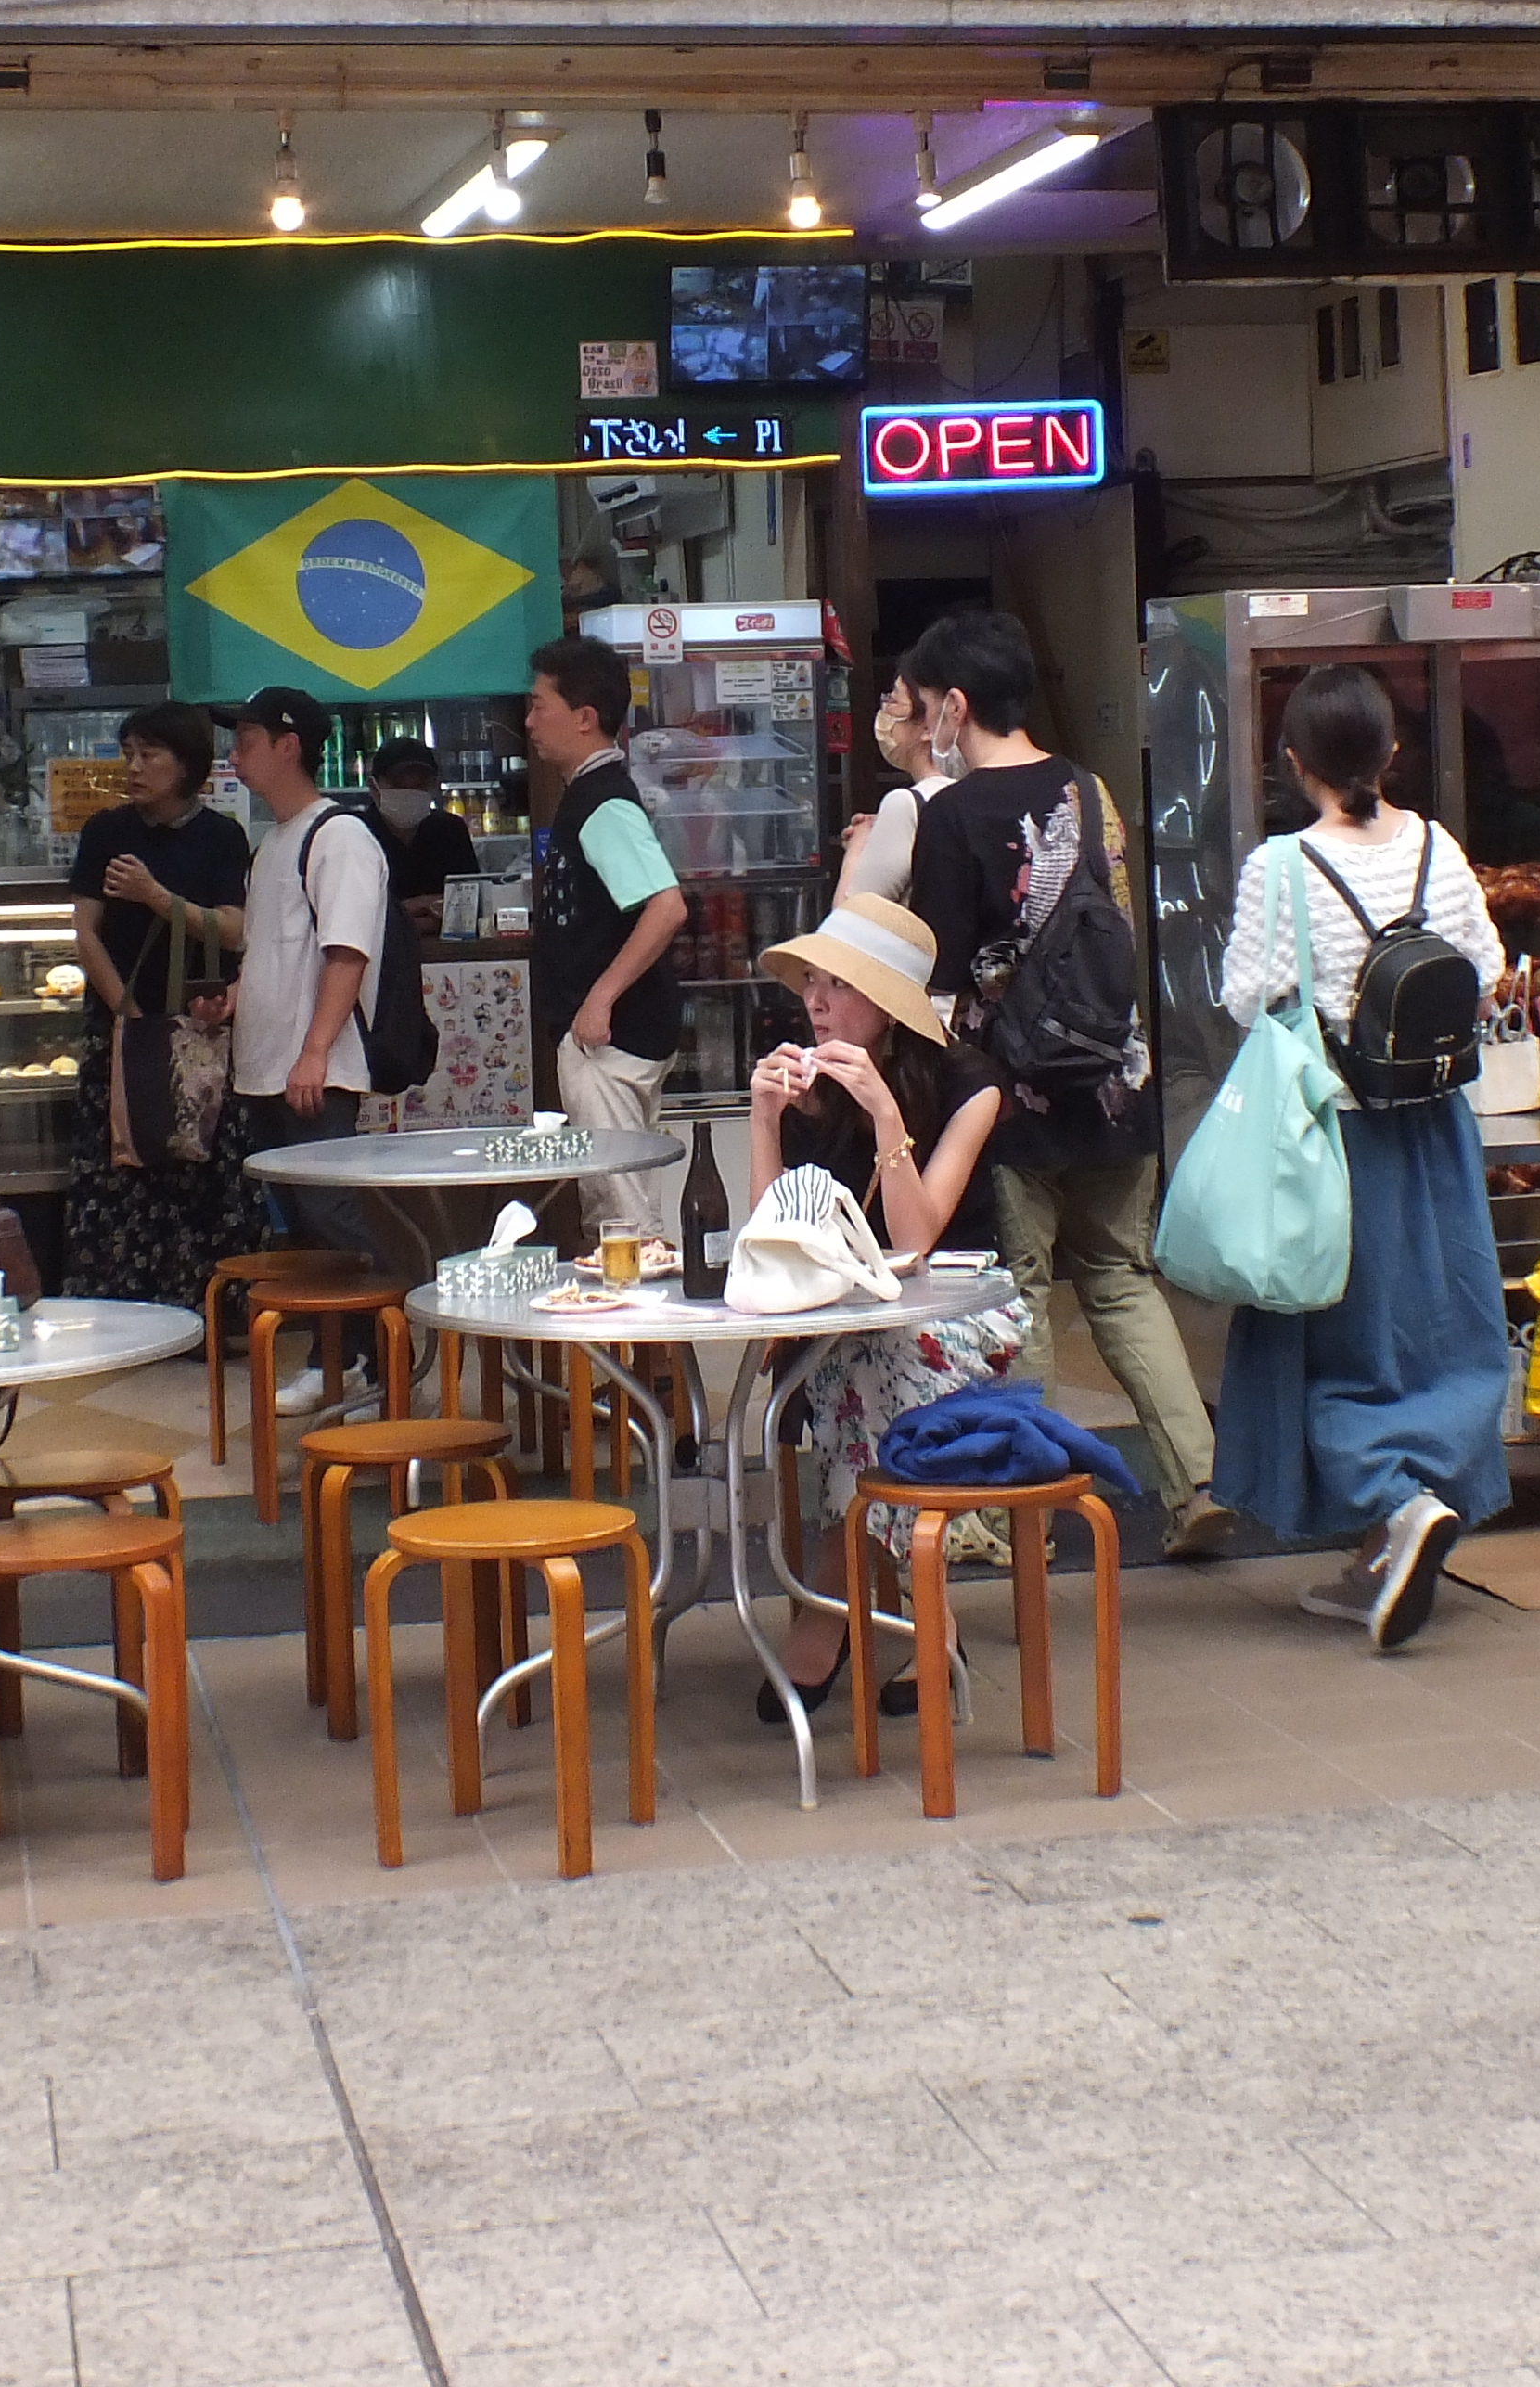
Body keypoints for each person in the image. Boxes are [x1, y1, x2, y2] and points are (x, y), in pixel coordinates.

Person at [897, 607, 1229, 1558]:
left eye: (928, 711)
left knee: (1023, 1295)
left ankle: (1024, 1517)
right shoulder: (1090, 790)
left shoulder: (953, 815)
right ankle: (1195, 1482)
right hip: (1117, 1080)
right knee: (1124, 1282)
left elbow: (941, 972)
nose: (926, 730)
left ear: (957, 707)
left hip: (1017, 1095)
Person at [1209, 664, 1509, 1650]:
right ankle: (1385, 1549)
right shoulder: (1437, 845)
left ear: (1296, 763)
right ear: (1389, 753)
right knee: (1438, 1329)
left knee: (1327, 1341)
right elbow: (1489, 970)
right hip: (1436, 1130)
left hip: (1332, 1138)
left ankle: (1396, 1503)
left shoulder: (1281, 868)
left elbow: (1245, 995)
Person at [745, 893, 1026, 1706]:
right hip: (848, 1323)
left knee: (869, 1368)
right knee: (856, 1363)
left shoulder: (970, 1084)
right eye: (811, 982)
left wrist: (883, 1115)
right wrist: (764, 1121)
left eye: (840, 985)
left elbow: (917, 1240)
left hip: (959, 1313)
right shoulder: (809, 1078)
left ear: (892, 1005)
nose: (818, 1002)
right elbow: (772, 1242)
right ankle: (929, 1634)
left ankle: (830, 1615)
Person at [68, 702, 258, 1305]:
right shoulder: (105, 831)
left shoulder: (221, 837)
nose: (134, 767)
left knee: (200, 1163)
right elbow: (85, 932)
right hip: (121, 1025)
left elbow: (232, 930)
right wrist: (125, 1012)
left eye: (149, 754)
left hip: (203, 1028)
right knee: (123, 1161)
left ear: (187, 765)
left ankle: (209, 1308)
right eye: (128, 753)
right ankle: (123, 1310)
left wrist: (156, 896)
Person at [521, 635, 688, 1248]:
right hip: (615, 1034)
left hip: (611, 1039)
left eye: (540, 705)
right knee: (623, 1206)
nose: (530, 720)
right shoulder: (590, 798)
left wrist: (599, 999)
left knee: (622, 1218)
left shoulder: (603, 803)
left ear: (585, 717)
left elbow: (666, 908)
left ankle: (648, 1342)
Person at [219, 687, 389, 1271]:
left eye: (245, 742)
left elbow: (347, 954)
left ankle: (381, 1345)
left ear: (289, 746)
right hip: (265, 1067)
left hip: (314, 1069)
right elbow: (270, 951)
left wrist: (314, 1053)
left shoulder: (338, 836)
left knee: (328, 1209)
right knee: (299, 1221)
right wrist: (233, 1000)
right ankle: (333, 1353)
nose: (233, 757)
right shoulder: (270, 845)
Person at [365, 738, 484, 944]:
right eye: (398, 785)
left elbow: (469, 907)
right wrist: (423, 905)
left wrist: (399, 913)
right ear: (374, 788)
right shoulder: (357, 834)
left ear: (435, 786)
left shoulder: (450, 830)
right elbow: (356, 916)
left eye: (419, 785)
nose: (410, 793)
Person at [840, 676, 939, 905]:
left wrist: (858, 846)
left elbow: (851, 916)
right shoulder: (963, 792)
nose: (884, 712)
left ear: (927, 726)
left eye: (893, 700)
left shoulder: (905, 803)